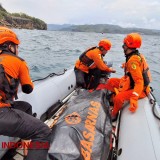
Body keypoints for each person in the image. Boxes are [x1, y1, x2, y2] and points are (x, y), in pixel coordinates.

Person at [0, 26, 51, 160]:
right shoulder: (18, 61)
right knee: (44, 132)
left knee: (25, 107)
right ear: (10, 46)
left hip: (3, 108)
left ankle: (25, 143)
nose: (17, 50)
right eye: (17, 46)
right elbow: (28, 89)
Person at [98, 33, 151, 119]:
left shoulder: (133, 61)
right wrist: (126, 65)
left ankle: (114, 114)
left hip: (140, 89)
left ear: (128, 46)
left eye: (124, 45)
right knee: (111, 81)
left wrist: (134, 98)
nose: (123, 47)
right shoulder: (135, 56)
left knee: (119, 97)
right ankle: (110, 100)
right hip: (131, 83)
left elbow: (139, 81)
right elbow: (137, 68)